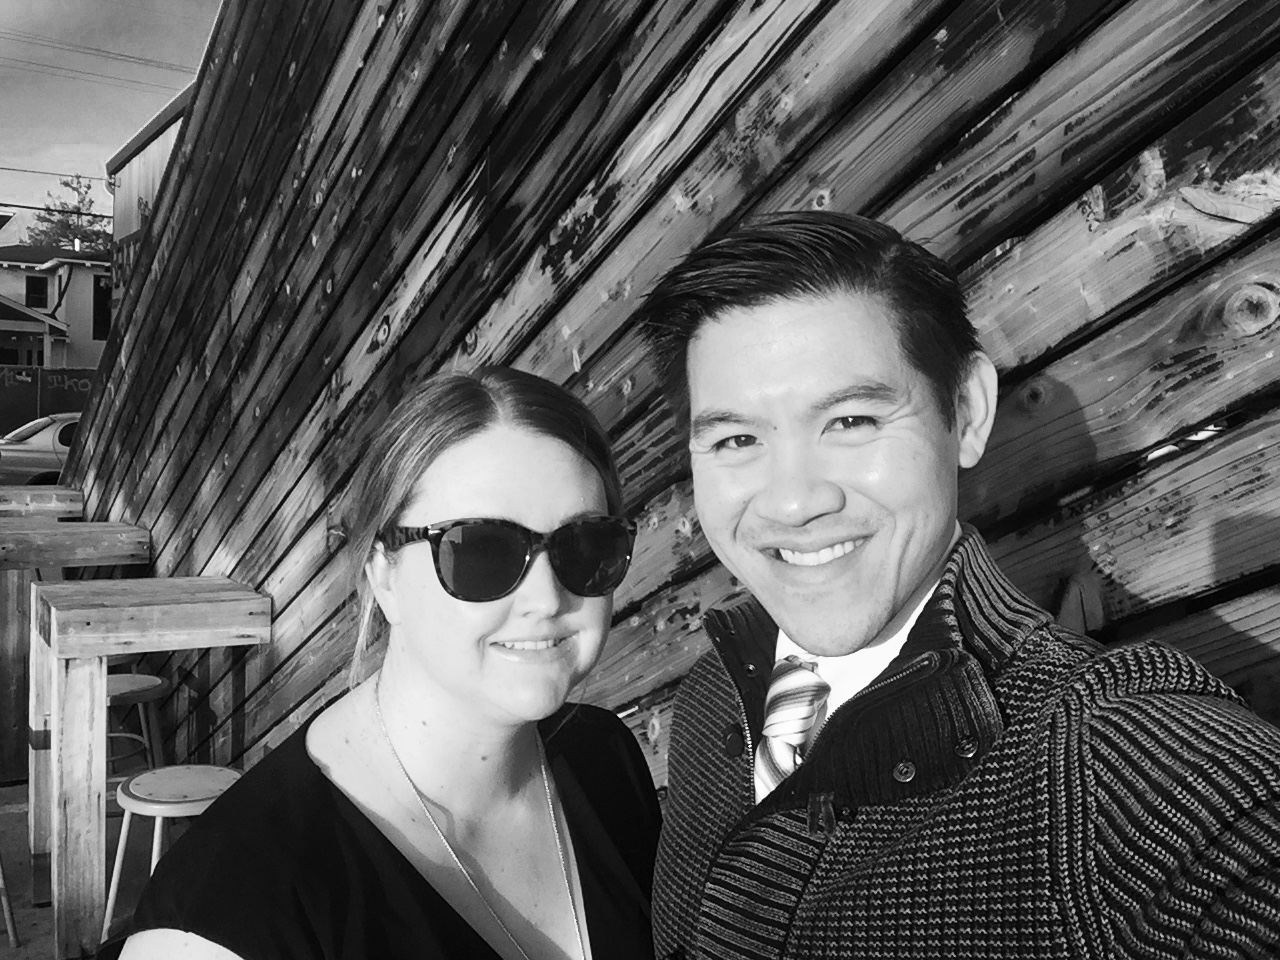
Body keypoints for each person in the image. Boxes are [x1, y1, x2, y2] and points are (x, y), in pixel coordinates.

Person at [634, 211, 1280, 959]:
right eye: (737, 439)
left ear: (966, 412)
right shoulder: (712, 694)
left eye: (851, 420)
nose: (792, 502)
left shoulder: (1113, 769)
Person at [100, 367, 661, 960]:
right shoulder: (230, 914)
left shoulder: (605, 760)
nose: (547, 599)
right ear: (383, 574)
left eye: (586, 545)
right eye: (483, 549)